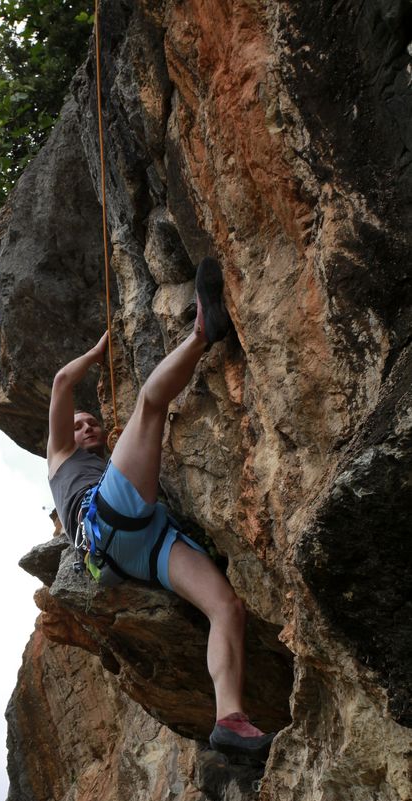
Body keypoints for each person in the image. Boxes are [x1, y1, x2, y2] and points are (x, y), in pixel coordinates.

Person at [47, 258, 275, 761]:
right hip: (105, 521)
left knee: (227, 608)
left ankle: (230, 720)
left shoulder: (108, 464)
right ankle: (202, 333)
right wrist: (99, 351)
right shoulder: (61, 460)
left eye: (92, 425)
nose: (86, 429)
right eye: (79, 425)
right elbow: (64, 382)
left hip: (142, 545)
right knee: (150, 403)